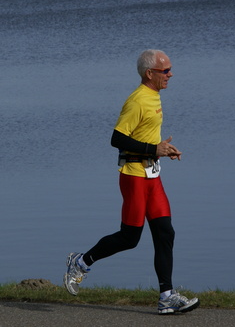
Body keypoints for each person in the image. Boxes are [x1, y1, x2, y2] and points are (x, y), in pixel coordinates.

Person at [63, 49, 199, 315]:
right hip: (134, 177)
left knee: (165, 233)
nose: (171, 74)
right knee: (129, 238)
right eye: (165, 71)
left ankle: (166, 297)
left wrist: (163, 149)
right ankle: (80, 262)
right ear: (150, 74)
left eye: (170, 69)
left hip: (153, 176)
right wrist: (152, 149)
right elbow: (117, 139)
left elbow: (146, 137)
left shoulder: (154, 96)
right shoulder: (137, 100)